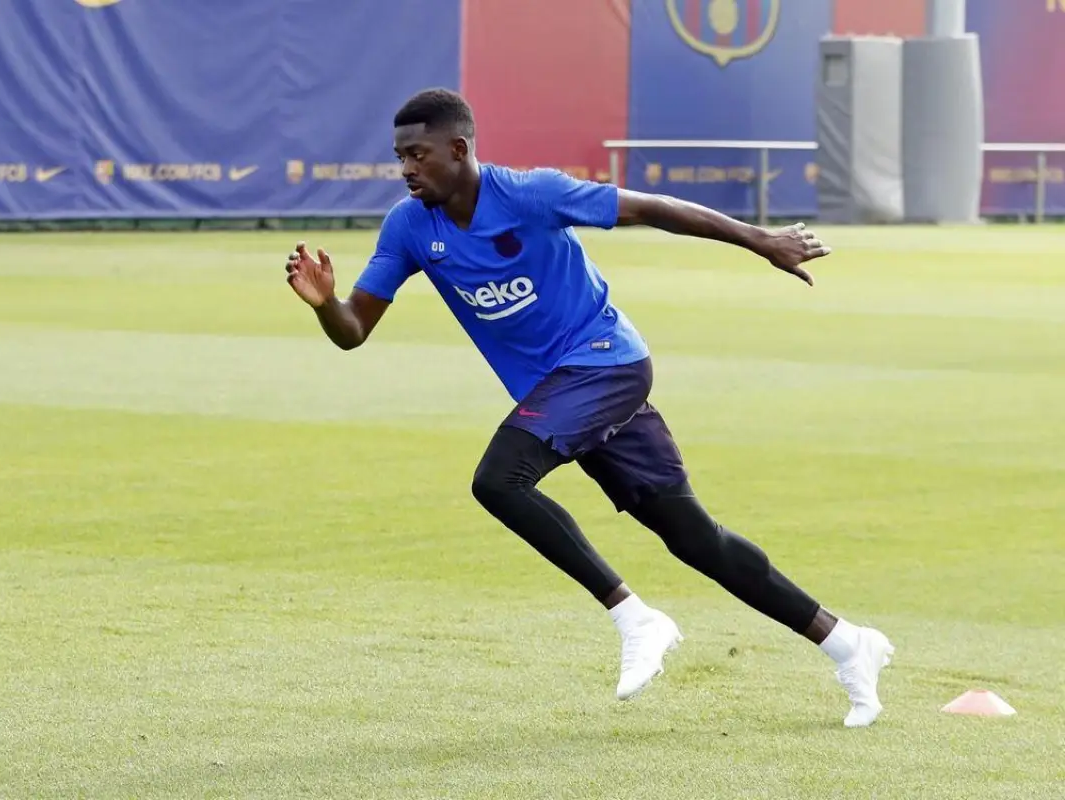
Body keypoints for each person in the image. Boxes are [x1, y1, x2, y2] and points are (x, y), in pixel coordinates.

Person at [284, 87, 894, 728]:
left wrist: (759, 239)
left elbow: (653, 207)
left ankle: (636, 617)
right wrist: (326, 302)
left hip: (607, 362)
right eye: (398, 157)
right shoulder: (409, 227)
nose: (405, 169)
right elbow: (353, 329)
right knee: (694, 538)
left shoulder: (530, 194)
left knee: (499, 480)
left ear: (458, 150)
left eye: (417, 154)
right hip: (564, 392)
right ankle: (848, 643)